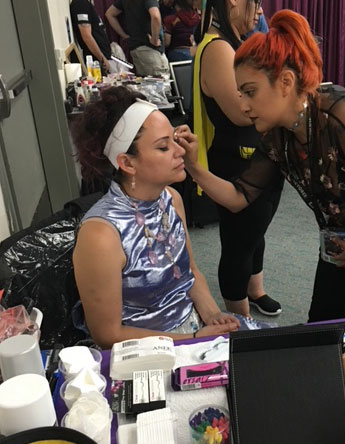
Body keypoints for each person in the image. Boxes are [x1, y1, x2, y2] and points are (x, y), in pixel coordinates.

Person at [183, 10, 345, 322]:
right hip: (344, 231)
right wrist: (195, 168)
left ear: (286, 82)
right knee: (320, 324)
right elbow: (240, 196)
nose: (243, 104)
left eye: (250, 92)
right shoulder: (277, 135)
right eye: (240, 94)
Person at [71, 86, 239, 349]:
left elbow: (190, 273)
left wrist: (212, 316)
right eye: (163, 147)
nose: (180, 151)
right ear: (127, 163)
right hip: (146, 353)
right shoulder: (101, 235)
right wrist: (191, 341)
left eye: (175, 139)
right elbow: (107, 334)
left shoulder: (171, 199)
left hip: (193, 332)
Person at [192, 0, 284, 317]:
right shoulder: (218, 49)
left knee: (255, 231)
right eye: (255, 2)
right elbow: (243, 112)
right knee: (238, 243)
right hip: (236, 161)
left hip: (257, 154)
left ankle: (255, 290)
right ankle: (241, 319)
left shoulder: (234, 43)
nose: (260, 11)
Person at [106, 0, 169, 77]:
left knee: (147, 85)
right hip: (150, 50)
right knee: (161, 84)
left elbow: (109, 14)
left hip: (137, 49)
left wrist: (124, 35)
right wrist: (154, 39)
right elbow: (155, 16)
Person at [70, 0, 112, 72]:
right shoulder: (81, 4)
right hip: (95, 60)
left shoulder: (86, 4)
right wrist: (102, 59)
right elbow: (87, 36)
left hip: (100, 57)